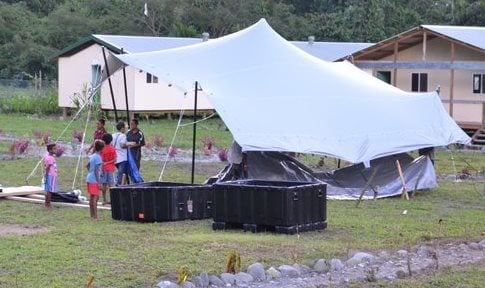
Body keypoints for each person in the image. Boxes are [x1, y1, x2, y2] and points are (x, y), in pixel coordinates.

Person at [86, 140, 105, 220]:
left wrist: (90, 172)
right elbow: (97, 171)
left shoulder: (93, 156)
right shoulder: (98, 158)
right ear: (101, 149)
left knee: (91, 197)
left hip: (89, 178)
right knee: (95, 198)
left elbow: (87, 166)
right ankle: (95, 217)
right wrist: (99, 182)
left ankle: (92, 216)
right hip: (94, 180)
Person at [100, 133, 116, 205]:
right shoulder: (112, 148)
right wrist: (108, 162)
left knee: (104, 184)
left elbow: (100, 159)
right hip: (110, 169)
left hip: (103, 168)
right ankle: (113, 199)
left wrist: (105, 163)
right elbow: (115, 159)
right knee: (111, 185)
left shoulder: (102, 149)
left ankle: (104, 200)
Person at [112, 121, 128, 186]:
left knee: (121, 172)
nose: (125, 129)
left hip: (115, 157)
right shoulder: (123, 136)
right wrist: (128, 145)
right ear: (122, 128)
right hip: (122, 157)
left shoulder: (113, 135)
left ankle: (123, 184)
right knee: (121, 173)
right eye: (124, 127)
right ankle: (118, 184)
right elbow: (122, 145)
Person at [43, 143, 58, 209]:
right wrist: (46, 175)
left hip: (49, 175)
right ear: (50, 150)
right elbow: (48, 167)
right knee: (50, 191)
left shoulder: (47, 156)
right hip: (51, 175)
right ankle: (48, 204)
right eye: (54, 149)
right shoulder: (51, 158)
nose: (56, 150)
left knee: (47, 190)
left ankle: (46, 203)